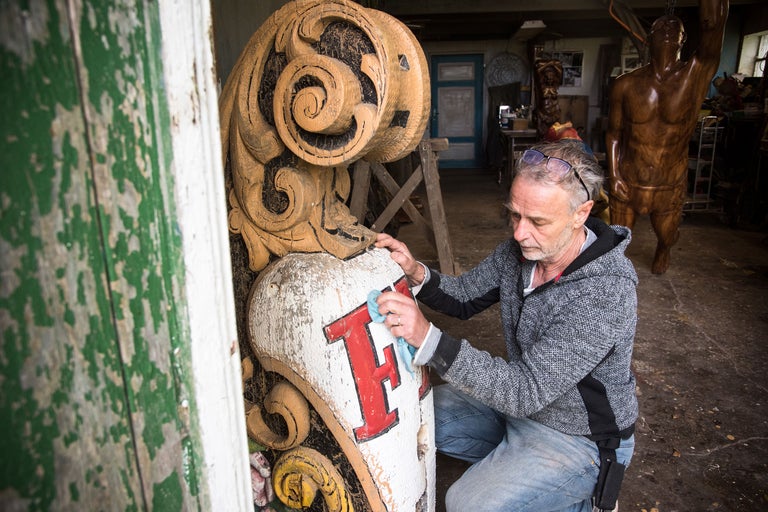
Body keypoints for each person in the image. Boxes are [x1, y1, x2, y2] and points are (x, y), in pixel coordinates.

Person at [375, 139, 638, 512]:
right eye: (515, 215)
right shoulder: (519, 254)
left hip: (579, 438)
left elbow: (524, 389)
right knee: (415, 414)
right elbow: (464, 296)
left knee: (467, 502)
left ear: (581, 213)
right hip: (523, 409)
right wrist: (416, 271)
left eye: (537, 221)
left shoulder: (605, 292)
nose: (518, 233)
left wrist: (428, 338)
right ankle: (518, 467)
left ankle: (588, 498)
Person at [606, 0, 729, 274]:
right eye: (660, 28)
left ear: (683, 40)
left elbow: (713, 26)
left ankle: (664, 249)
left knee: (666, 234)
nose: (667, 30)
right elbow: (614, 134)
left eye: (675, 29)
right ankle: (615, 275)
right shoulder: (625, 84)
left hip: (668, 180)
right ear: (648, 39)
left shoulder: (694, 76)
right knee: (616, 241)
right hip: (629, 175)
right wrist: (614, 176)